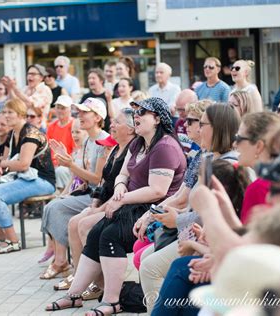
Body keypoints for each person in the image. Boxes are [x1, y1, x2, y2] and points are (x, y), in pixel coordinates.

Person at [46, 97, 187, 315]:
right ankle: (74, 295)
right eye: (136, 112)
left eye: (142, 113)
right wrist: (120, 188)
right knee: (95, 233)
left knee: (111, 235)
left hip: (154, 210)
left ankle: (112, 300)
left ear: (157, 119)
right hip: (133, 204)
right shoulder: (138, 142)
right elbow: (123, 174)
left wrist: (121, 198)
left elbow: (158, 191)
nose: (137, 116)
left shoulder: (165, 146)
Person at [59, 109, 136, 295]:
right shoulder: (116, 149)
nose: (112, 125)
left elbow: (124, 188)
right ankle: (81, 277)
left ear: (131, 129)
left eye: (117, 122)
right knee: (73, 223)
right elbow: (103, 182)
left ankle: (100, 284)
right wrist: (94, 204)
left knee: (86, 224)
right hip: (104, 202)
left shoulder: (133, 151)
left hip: (122, 205)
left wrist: (98, 209)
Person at [0, 98, 56, 253]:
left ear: (21, 115)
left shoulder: (31, 133)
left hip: (42, 180)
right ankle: (0, 237)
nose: (6, 116)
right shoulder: (12, 134)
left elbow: (23, 164)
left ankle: (13, 241)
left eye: (10, 112)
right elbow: (5, 161)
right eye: (4, 112)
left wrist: (0, 164)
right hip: (23, 177)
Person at [41, 97, 109, 278]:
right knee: (53, 205)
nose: (80, 115)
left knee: (56, 208)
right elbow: (87, 179)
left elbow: (98, 178)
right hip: (89, 193)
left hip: (101, 197)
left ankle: (65, 263)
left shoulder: (104, 141)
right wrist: (71, 187)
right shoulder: (88, 141)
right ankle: (64, 262)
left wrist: (71, 165)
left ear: (97, 117)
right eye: (79, 112)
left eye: (85, 112)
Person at [235, 112, 280, 224]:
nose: (235, 144)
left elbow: (249, 240)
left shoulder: (259, 188)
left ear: (259, 146)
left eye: (239, 138)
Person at [3, 64, 53, 129]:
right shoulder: (25, 89)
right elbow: (15, 104)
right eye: (28, 74)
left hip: (38, 127)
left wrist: (14, 88)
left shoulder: (45, 90)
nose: (29, 76)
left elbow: (31, 103)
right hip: (22, 125)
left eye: (33, 74)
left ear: (41, 77)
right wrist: (9, 88)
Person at [46, 95, 75, 190]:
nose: (60, 110)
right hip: (52, 164)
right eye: (58, 107)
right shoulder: (51, 126)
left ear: (70, 109)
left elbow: (76, 151)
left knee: (60, 171)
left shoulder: (74, 125)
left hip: (69, 164)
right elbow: (47, 148)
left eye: (63, 108)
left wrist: (62, 162)